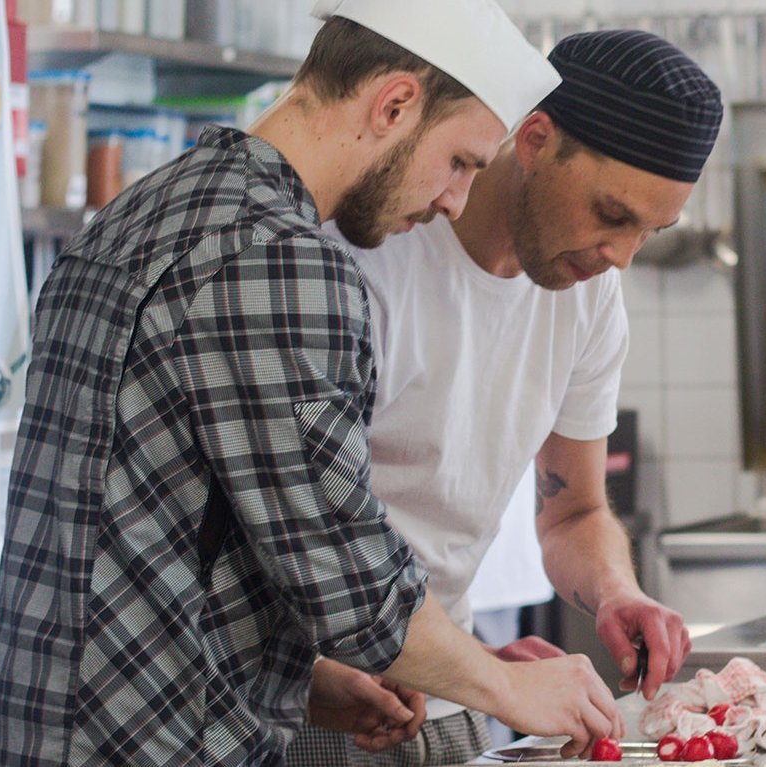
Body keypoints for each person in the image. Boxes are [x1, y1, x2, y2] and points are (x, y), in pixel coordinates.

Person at [0, 3, 626, 765]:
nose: (454, 199)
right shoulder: (280, 258)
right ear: (394, 104)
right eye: (459, 162)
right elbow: (350, 578)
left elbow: (153, 534)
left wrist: (304, 680)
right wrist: (509, 688)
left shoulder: (133, 216)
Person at [286, 29, 723, 767]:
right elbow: (313, 547)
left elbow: (574, 510)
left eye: (651, 231)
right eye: (612, 213)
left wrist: (615, 591)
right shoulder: (361, 258)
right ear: (535, 138)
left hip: (451, 702)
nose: (621, 255)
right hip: (317, 705)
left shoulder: (588, 295)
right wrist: (482, 670)